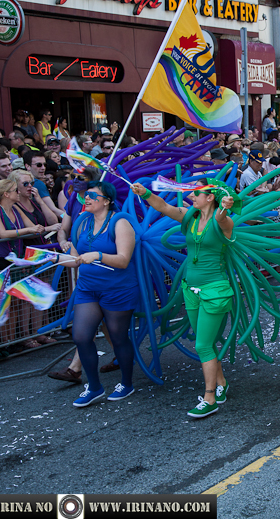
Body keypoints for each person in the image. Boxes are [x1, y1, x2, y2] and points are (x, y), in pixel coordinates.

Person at [132, 179, 237, 418]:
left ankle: (210, 397)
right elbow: (162, 207)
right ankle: (221, 383)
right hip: (191, 289)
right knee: (206, 342)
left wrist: (225, 207)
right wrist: (145, 192)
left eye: (196, 193)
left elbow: (221, 218)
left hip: (215, 291)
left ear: (210, 197)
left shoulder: (224, 221)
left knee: (202, 345)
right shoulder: (189, 217)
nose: (191, 196)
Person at [56, 181, 138, 407]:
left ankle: (126, 383)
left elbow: (123, 260)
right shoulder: (82, 221)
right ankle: (93, 387)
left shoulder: (120, 222)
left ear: (107, 200)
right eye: (85, 196)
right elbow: (74, 260)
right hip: (87, 289)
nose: (87, 198)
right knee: (81, 336)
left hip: (118, 290)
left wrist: (98, 255)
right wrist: (45, 258)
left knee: (118, 337)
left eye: (92, 195)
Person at [0, 178, 52, 347]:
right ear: (6, 194)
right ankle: (7, 342)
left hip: (18, 259)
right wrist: (29, 229)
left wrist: (40, 229)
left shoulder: (15, 208)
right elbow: (2, 233)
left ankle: (22, 337)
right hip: (1, 261)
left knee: (19, 300)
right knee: (5, 302)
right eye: (15, 190)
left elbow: (32, 227)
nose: (18, 192)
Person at [11, 169, 61, 345]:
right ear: (15, 186)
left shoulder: (34, 201)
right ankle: (27, 335)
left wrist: (39, 199)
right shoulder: (15, 205)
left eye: (31, 183)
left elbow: (52, 219)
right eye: (25, 184)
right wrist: (50, 229)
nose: (29, 186)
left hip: (42, 252)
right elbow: (33, 227)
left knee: (43, 291)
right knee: (29, 296)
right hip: (28, 253)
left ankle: (41, 331)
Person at [25, 151, 64, 219]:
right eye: (39, 165)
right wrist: (73, 219)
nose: (43, 168)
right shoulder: (37, 183)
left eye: (45, 165)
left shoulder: (20, 181)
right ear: (28, 166)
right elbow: (53, 210)